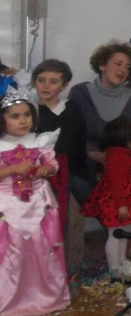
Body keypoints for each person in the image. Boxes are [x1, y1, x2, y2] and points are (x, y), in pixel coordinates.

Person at [0, 89, 71, 316]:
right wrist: (12, 169)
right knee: (12, 251)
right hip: (8, 206)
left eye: (26, 115)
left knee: (41, 249)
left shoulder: (40, 141)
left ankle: (46, 295)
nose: (23, 121)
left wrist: (43, 170)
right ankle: (9, 299)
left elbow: (53, 165)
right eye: (15, 116)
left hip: (39, 203)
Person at [68, 41, 131, 197]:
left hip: (126, 157)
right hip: (90, 157)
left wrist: (118, 157)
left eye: (127, 67)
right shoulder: (80, 93)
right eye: (118, 64)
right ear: (102, 65)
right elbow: (73, 135)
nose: (123, 70)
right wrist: (96, 155)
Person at [80, 116, 131, 280]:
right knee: (116, 235)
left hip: (129, 202)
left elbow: (130, 174)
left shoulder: (126, 154)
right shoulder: (118, 157)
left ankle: (122, 261)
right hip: (119, 203)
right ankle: (114, 268)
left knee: (125, 233)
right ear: (128, 135)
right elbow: (116, 182)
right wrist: (121, 205)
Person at [31, 60, 86, 222]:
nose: (46, 86)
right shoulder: (29, 109)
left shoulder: (70, 109)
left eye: (53, 82)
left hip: (67, 171)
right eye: (41, 80)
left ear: (64, 85)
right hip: (34, 169)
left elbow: (69, 146)